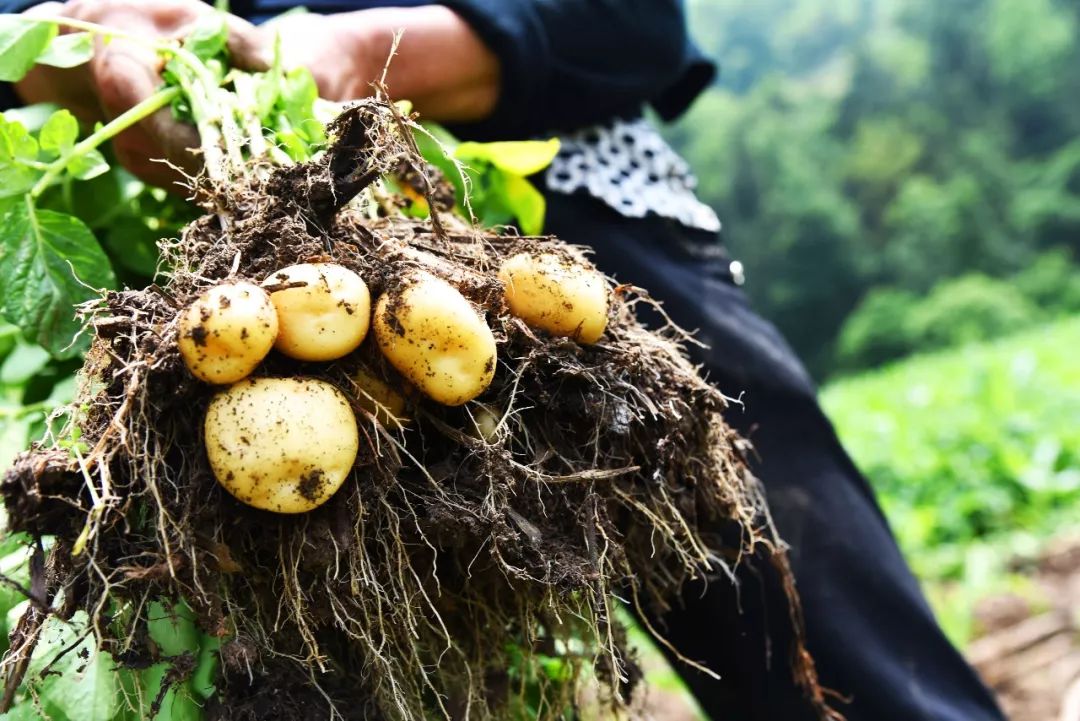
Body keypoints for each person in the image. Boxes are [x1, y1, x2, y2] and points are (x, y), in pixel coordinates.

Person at [1, 2, 1007, 719]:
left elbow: (634, 22)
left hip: (564, 240)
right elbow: (20, 38)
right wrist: (79, 48)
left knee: (821, 634)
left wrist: (361, 49)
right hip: (230, 280)